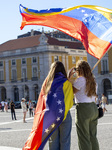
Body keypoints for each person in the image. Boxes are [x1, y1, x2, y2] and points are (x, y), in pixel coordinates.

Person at [68, 60, 99, 150]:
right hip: (93, 107)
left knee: (83, 136)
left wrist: (69, 79)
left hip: (83, 108)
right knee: (93, 136)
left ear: (80, 70)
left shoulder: (81, 80)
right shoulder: (93, 80)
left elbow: (71, 91)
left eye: (77, 69)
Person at [46, 61, 73, 150]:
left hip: (52, 116)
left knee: (53, 141)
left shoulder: (47, 84)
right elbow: (69, 102)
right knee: (65, 141)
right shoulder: (67, 83)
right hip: (64, 115)